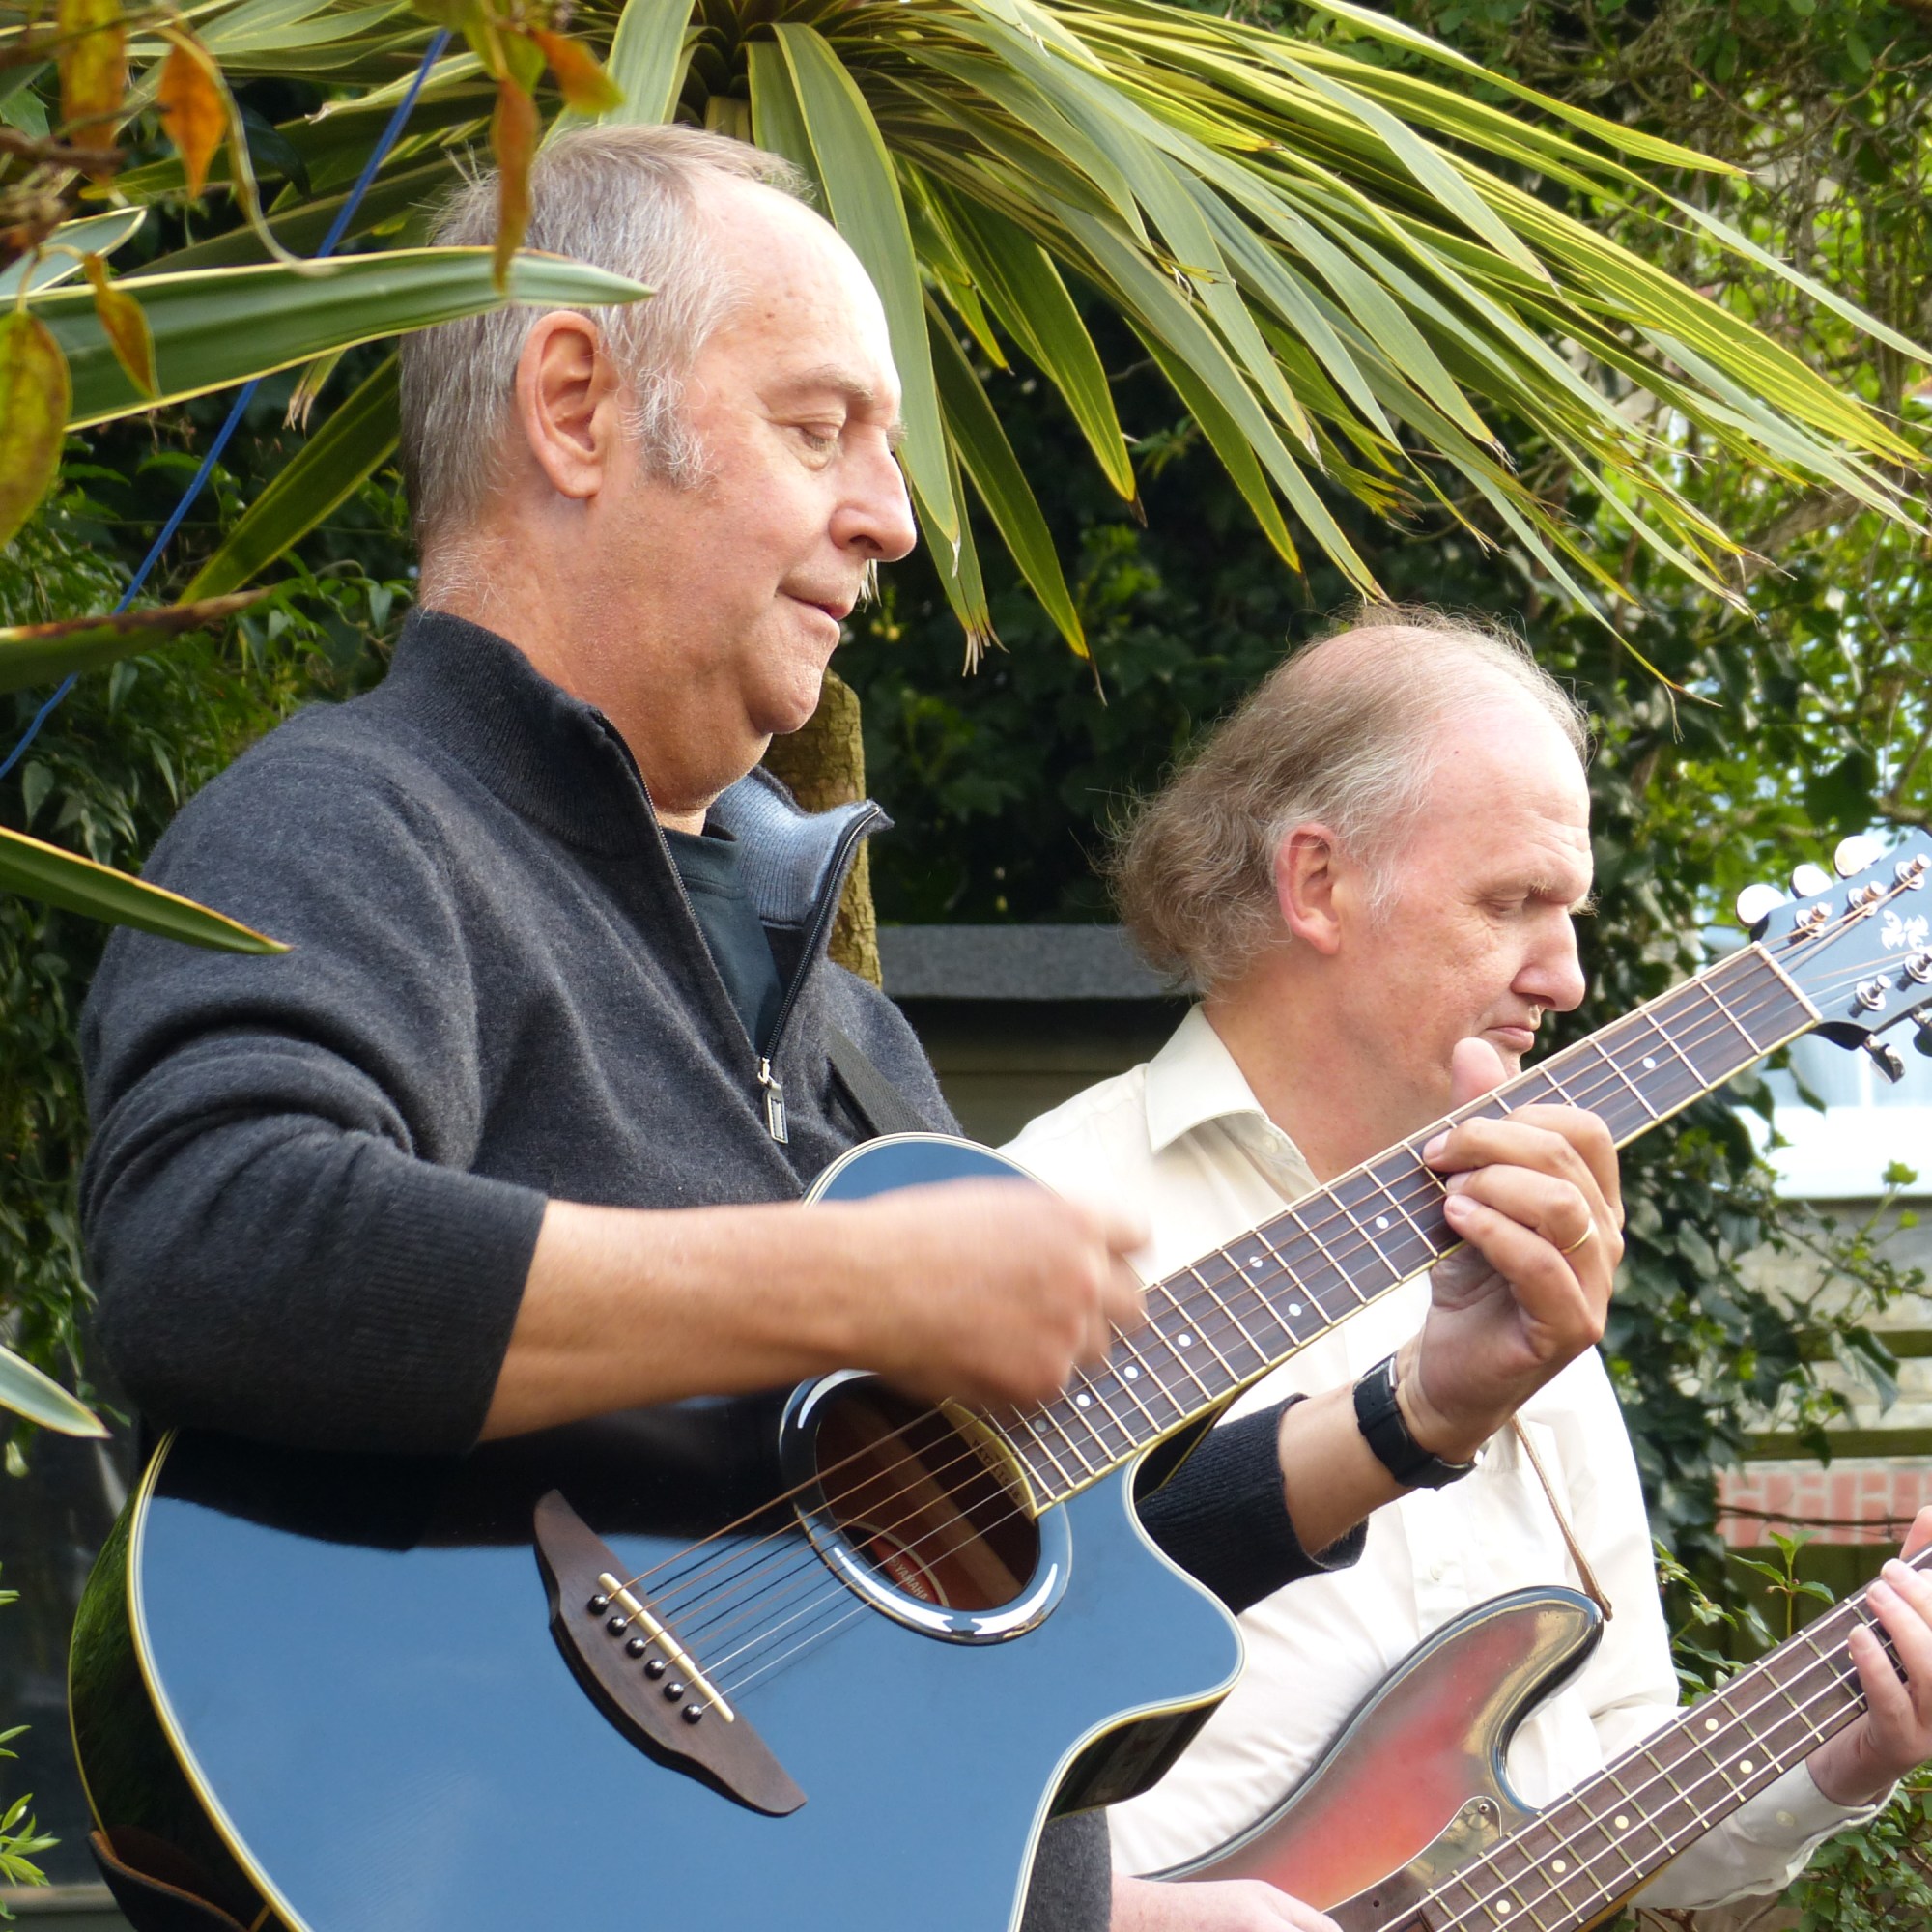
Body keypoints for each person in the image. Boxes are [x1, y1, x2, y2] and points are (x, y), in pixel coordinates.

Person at [82, 130, 1620, 1932]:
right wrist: (842, 1294)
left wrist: (1420, 1409)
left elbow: (1003, 1584)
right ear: (576, 410)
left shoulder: (845, 1034)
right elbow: (216, 1251)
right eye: (823, 429)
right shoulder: (353, 824)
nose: (894, 516)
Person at [1006, 611, 1932, 1925]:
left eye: (1568, 911)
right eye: (1513, 902)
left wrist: (1844, 1756)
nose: (1565, 973)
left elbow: (1614, 1801)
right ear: (1316, 883)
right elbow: (868, 1784)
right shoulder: (1039, 1221)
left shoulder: (1527, 1266)